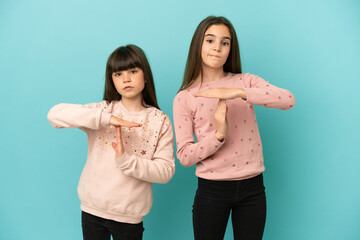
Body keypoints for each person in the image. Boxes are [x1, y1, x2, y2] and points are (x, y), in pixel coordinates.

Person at [173, 16, 295, 240]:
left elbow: (287, 99)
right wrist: (219, 135)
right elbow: (184, 156)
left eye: (225, 42)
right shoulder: (185, 97)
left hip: (253, 189)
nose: (217, 48)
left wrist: (239, 92)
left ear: (231, 48)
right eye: (210, 40)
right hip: (211, 192)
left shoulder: (246, 81)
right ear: (198, 44)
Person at [47, 44, 175, 240]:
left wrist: (126, 160)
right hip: (91, 210)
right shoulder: (102, 112)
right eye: (118, 74)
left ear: (145, 75)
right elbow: (54, 115)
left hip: (129, 216)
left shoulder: (160, 120)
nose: (126, 79)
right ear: (111, 80)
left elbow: (165, 172)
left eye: (133, 71)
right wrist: (106, 119)